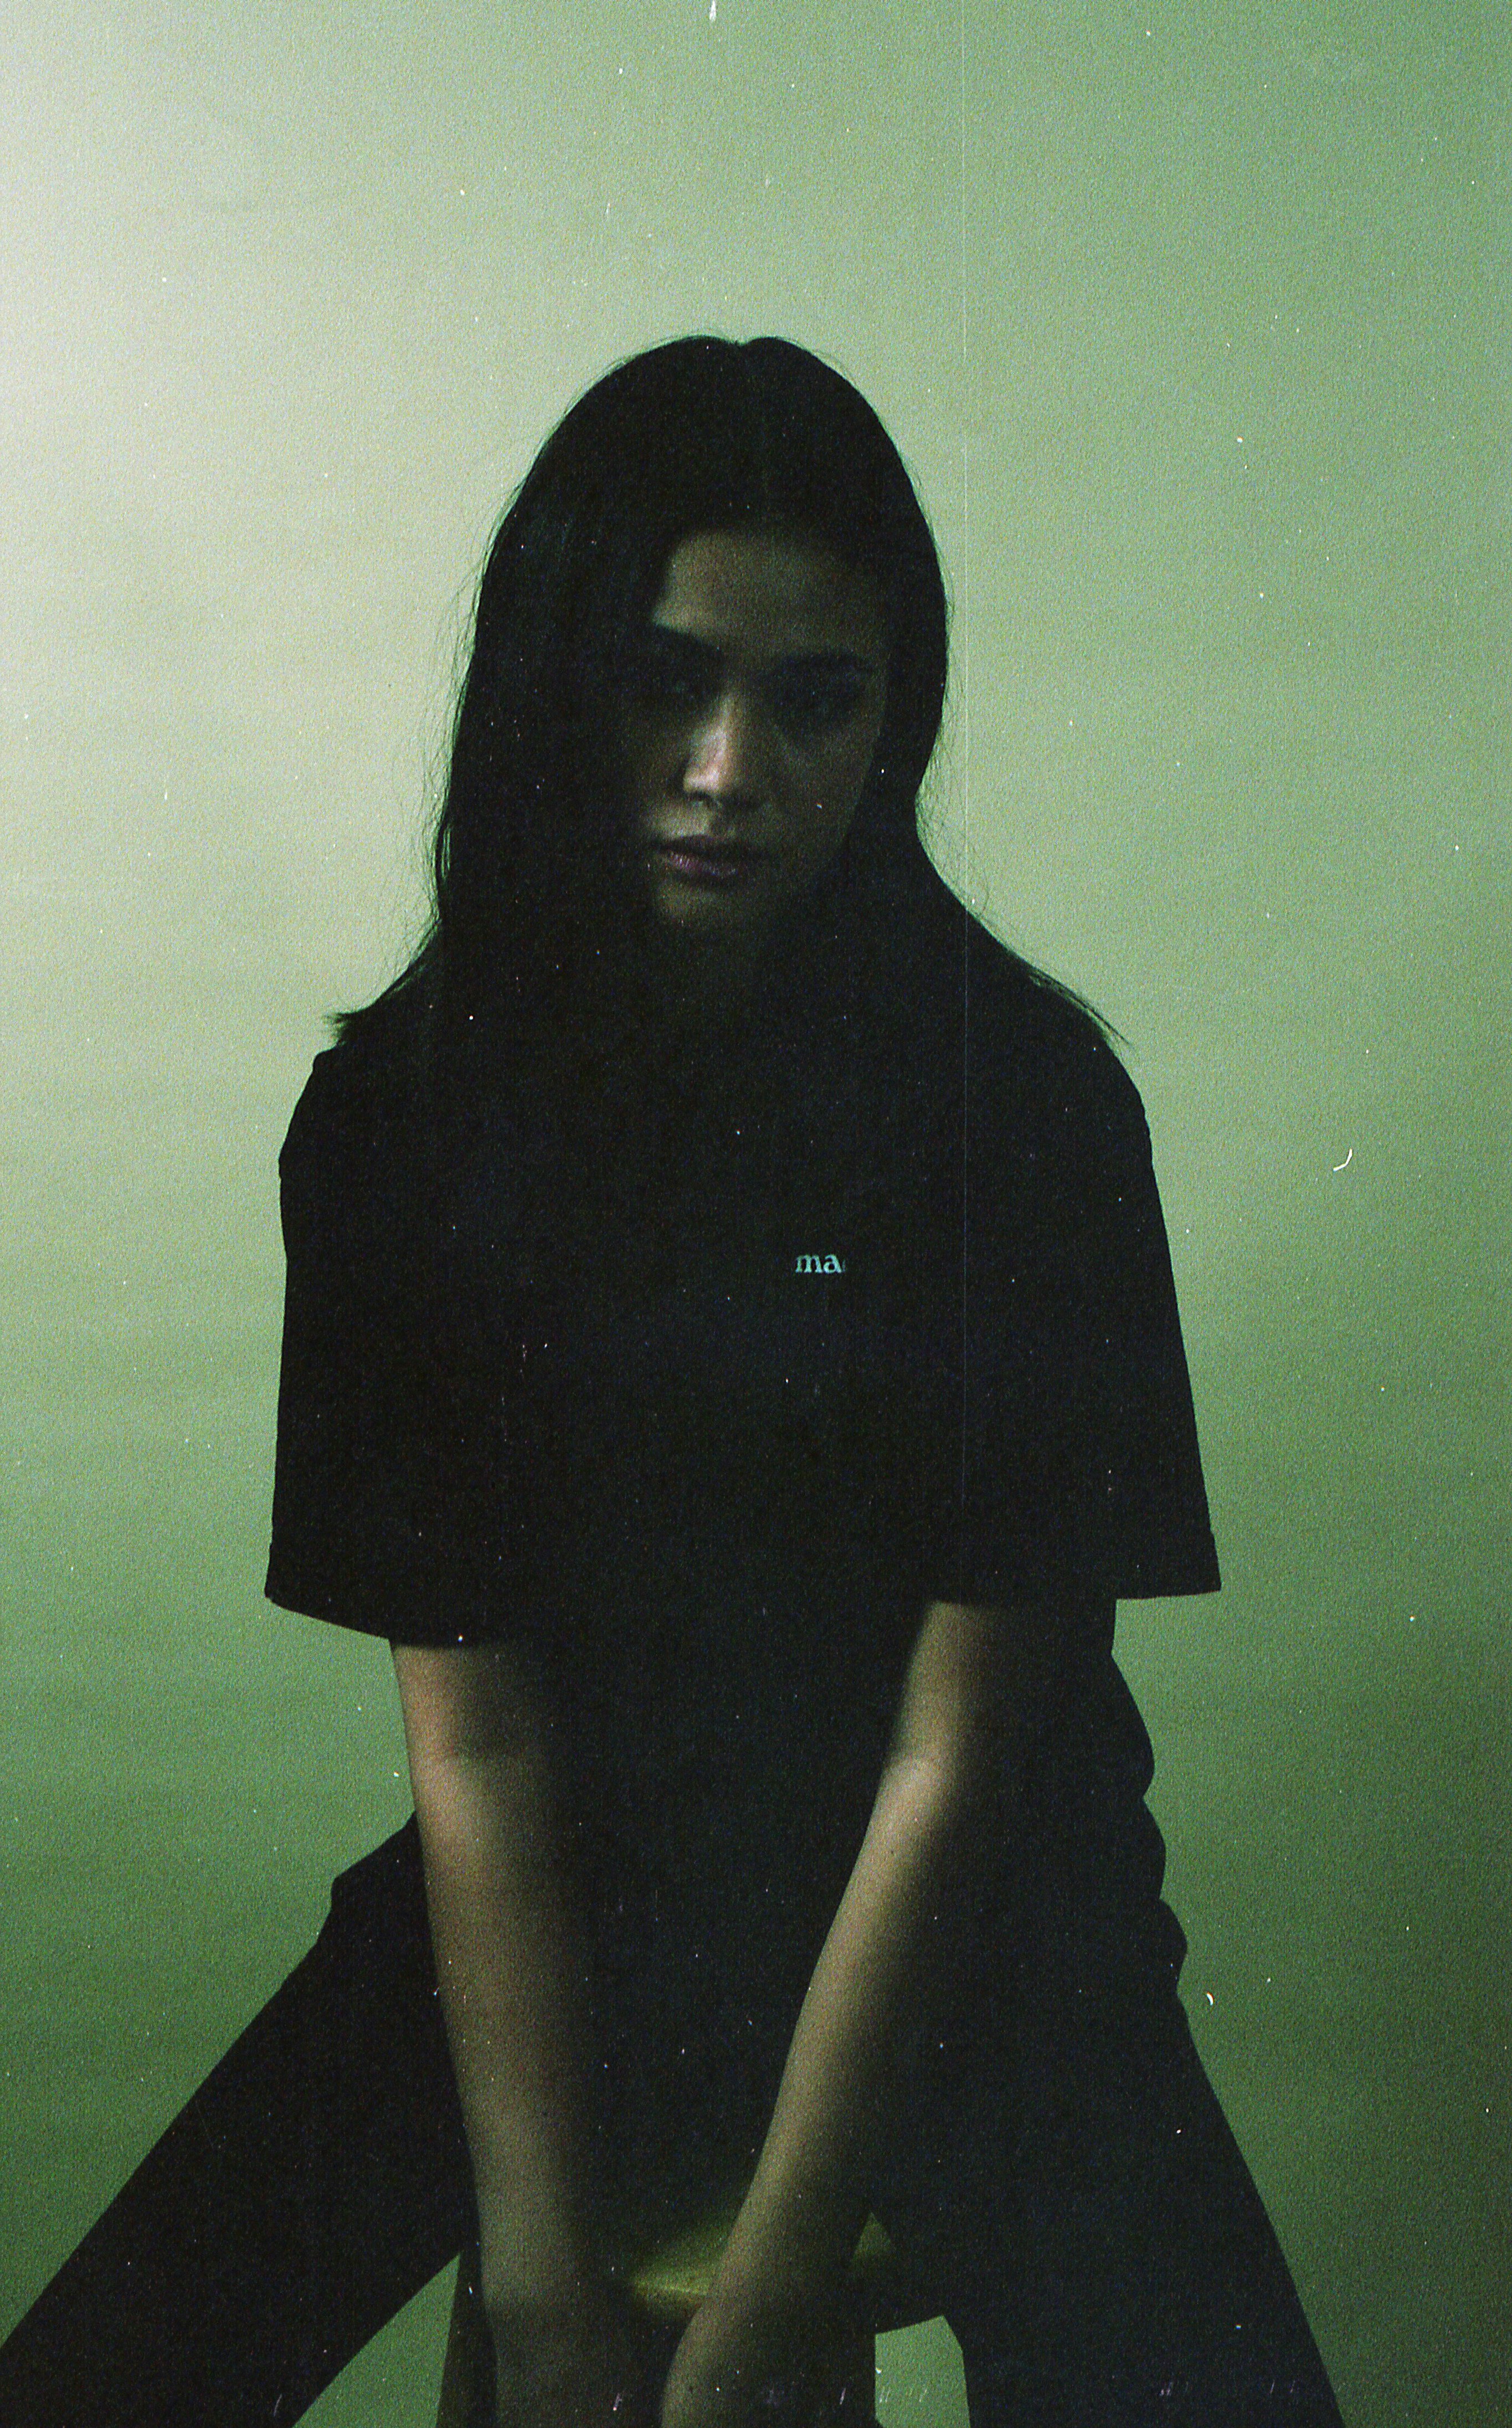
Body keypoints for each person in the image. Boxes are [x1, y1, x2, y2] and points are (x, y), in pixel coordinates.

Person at [0, 336, 1344, 2428]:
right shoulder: (397, 1121)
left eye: (816, 700)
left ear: (896, 718)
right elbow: (485, 1757)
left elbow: (955, 1755)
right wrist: (542, 2291)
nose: (729, 769)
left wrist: (781, 2282)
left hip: (987, 1940)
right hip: (561, 1919)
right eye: (661, 681)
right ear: (553, 687)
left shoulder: (1032, 1111)